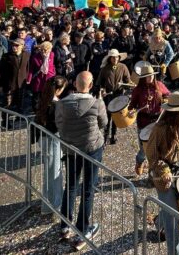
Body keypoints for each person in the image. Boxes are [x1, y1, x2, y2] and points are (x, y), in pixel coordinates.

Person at [144, 91, 179, 255]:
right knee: (172, 220)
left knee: (176, 209)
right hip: (164, 178)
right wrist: (164, 170)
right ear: (173, 111)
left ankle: (157, 220)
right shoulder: (159, 129)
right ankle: (176, 252)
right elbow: (152, 156)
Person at [56, 71, 107, 250]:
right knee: (87, 189)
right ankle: (82, 229)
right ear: (91, 86)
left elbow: (59, 124)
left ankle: (64, 226)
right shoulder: (97, 103)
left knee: (70, 185)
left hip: (71, 148)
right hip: (91, 148)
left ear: (75, 84)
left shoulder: (62, 103)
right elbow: (103, 123)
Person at [129, 62, 170, 175]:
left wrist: (166, 99)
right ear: (143, 77)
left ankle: (153, 173)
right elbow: (132, 105)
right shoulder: (137, 90)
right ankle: (140, 161)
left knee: (158, 148)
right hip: (143, 121)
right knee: (144, 148)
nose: (151, 77)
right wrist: (131, 111)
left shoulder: (159, 85)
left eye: (152, 75)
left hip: (158, 120)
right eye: (148, 75)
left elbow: (168, 94)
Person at [35, 76, 67, 214]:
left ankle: (49, 204)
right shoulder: (56, 105)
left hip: (44, 138)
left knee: (51, 172)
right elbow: (59, 125)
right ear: (58, 90)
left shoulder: (43, 100)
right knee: (54, 173)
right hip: (53, 140)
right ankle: (54, 205)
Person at [96, 49, 131, 145]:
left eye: (116, 57)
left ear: (119, 57)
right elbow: (100, 83)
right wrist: (102, 90)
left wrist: (126, 85)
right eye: (113, 57)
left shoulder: (123, 67)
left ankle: (114, 135)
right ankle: (105, 136)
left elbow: (128, 81)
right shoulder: (104, 69)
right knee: (108, 115)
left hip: (119, 95)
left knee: (116, 115)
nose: (115, 59)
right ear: (109, 58)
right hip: (108, 96)